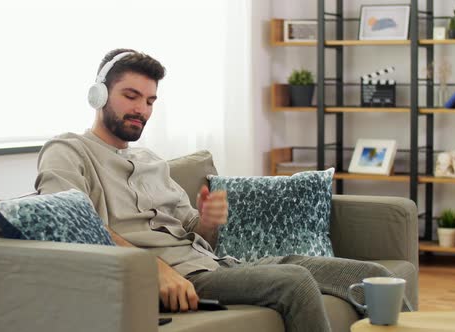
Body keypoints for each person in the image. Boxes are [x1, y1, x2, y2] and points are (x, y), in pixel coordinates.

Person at [35, 48, 410, 332]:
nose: (142, 110)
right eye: (130, 96)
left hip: (218, 263)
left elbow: (199, 235)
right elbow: (73, 227)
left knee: (373, 273)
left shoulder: (151, 160)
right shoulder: (67, 151)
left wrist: (210, 222)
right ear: (98, 95)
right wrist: (154, 269)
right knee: (294, 283)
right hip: (181, 276)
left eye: (150, 101)